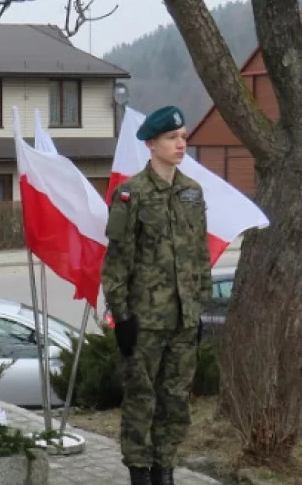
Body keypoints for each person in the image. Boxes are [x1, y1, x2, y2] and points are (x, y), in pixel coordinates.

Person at [101, 106, 211, 485]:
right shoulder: (131, 194)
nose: (181, 144)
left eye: (183, 137)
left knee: (176, 400)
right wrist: (122, 317)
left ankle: (165, 469)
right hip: (144, 320)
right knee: (141, 400)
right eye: (172, 138)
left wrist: (197, 311)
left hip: (183, 319)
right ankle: (140, 472)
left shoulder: (192, 193)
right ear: (151, 143)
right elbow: (117, 262)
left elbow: (199, 257)